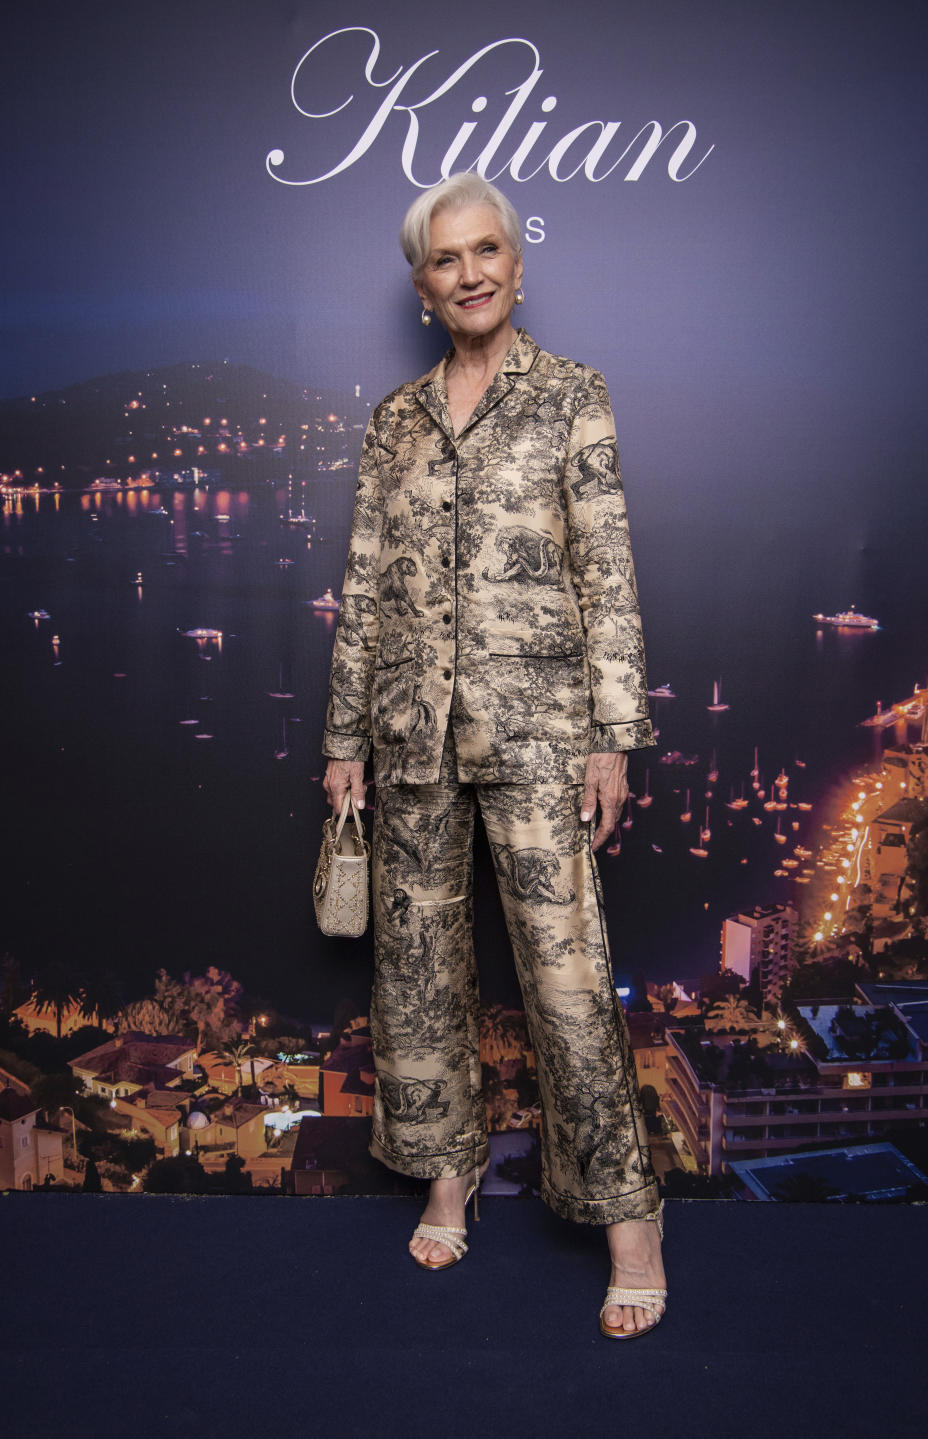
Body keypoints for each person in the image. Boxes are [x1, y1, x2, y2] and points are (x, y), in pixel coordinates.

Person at [322, 173, 666, 1338]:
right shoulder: (393, 420)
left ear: (517, 266)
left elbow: (607, 575)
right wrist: (342, 744)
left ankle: (629, 1216)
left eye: (487, 251)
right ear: (422, 287)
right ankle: (445, 1173)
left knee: (566, 980)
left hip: (540, 734)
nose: (468, 272)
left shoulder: (575, 397)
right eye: (444, 259)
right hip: (407, 739)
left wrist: (612, 738)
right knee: (418, 980)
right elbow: (364, 593)